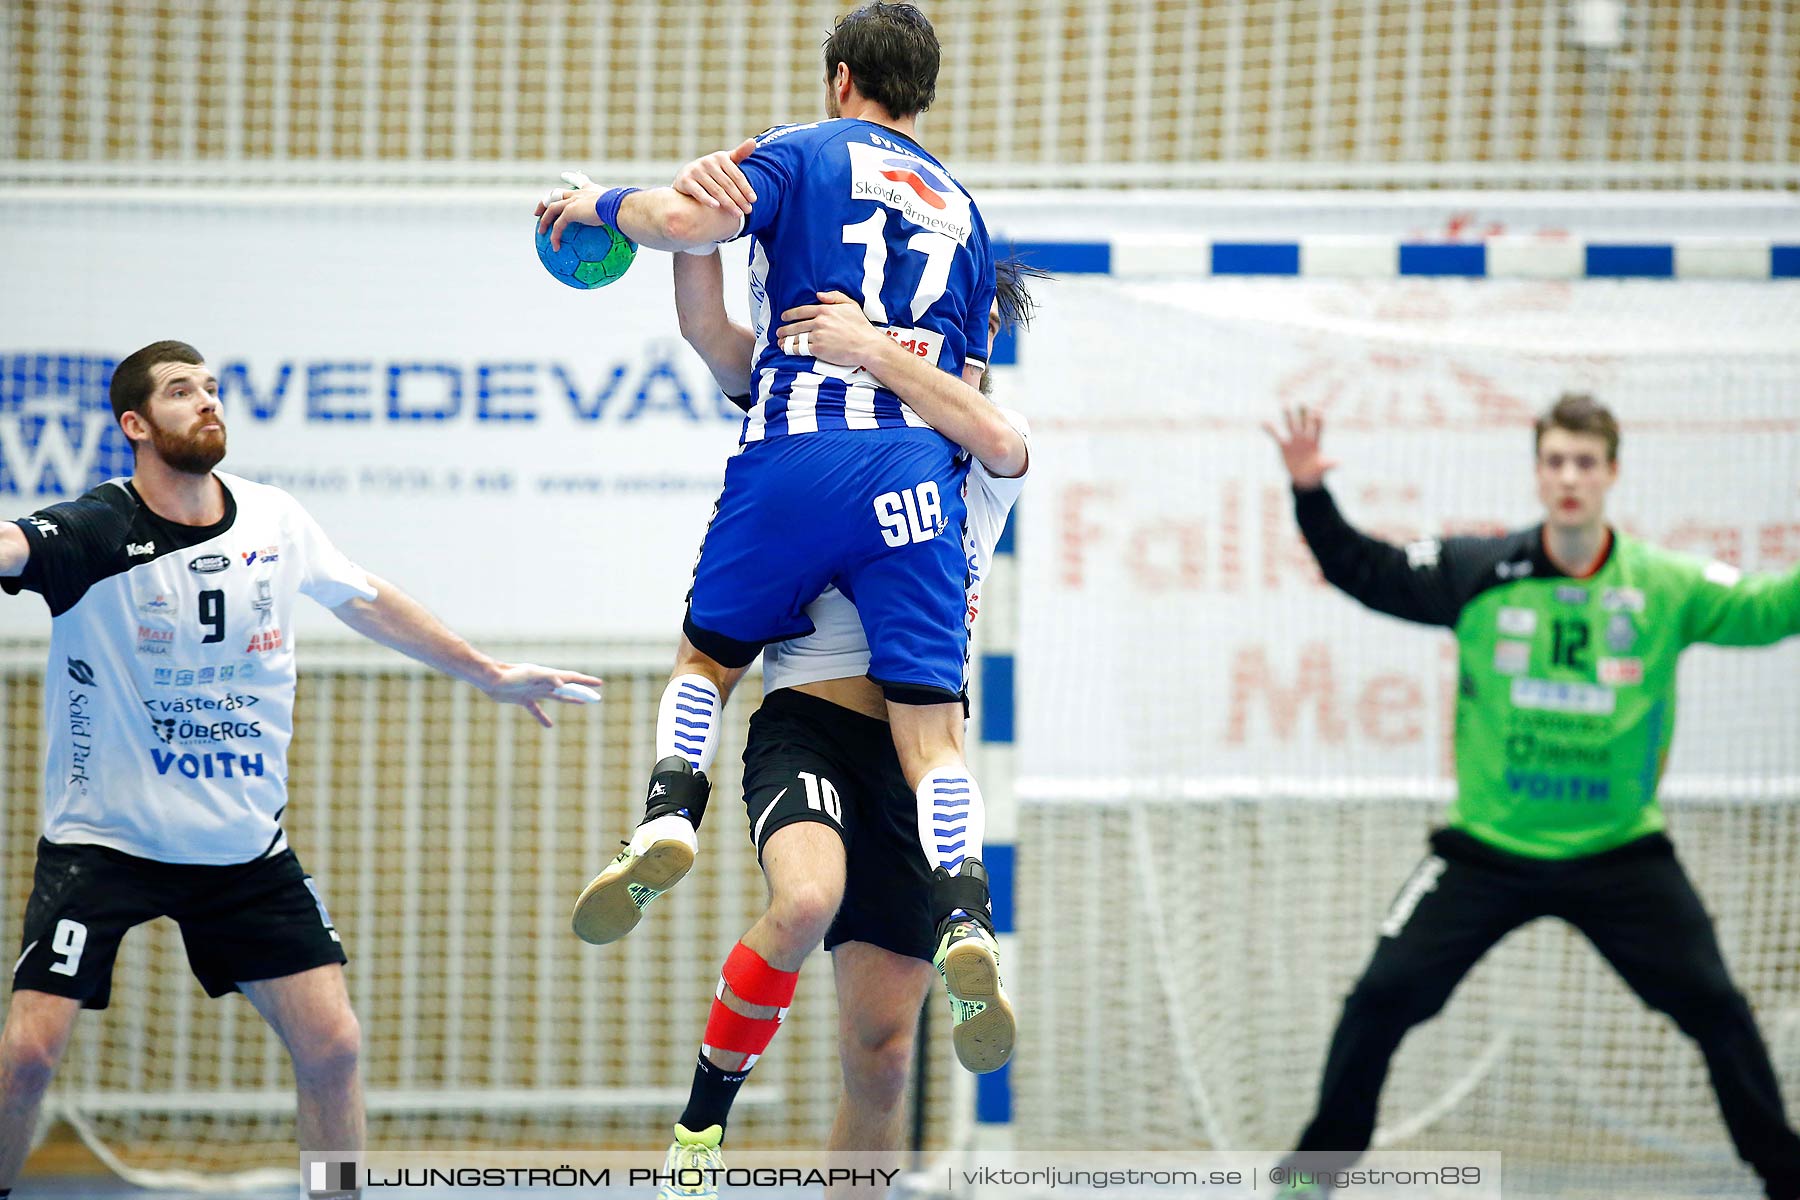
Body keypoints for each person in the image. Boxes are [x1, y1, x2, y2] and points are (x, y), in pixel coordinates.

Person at [0, 341, 602, 1199]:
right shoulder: (98, 529)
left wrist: (488, 672)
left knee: (334, 1044)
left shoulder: (273, 519)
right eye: (180, 392)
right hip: (104, 845)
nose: (206, 402)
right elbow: (14, 545)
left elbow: (362, 596)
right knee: (27, 1052)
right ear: (135, 425)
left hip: (243, 851)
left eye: (212, 389)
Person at [539, 2, 1011, 1072]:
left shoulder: (801, 153)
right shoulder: (969, 215)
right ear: (919, 87)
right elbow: (968, 395)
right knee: (935, 735)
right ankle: (970, 914)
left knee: (707, 657)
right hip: (913, 474)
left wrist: (600, 201)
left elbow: (690, 236)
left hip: (796, 451)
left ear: (840, 76)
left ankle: (669, 811)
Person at [1265, 396, 1800, 1200]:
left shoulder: (1664, 585)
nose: (1570, 477)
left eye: (1586, 462)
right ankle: (1311, 1179)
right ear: (1538, 473)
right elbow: (1362, 569)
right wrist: (1310, 493)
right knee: (1379, 999)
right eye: (1556, 461)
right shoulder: (1479, 572)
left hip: (1619, 852)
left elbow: (1768, 611)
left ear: (1612, 473)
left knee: (1717, 1007)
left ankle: (1786, 1174)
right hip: (1488, 852)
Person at [647, 213, 1044, 1195]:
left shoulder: (977, 462)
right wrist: (690, 221)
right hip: (810, 731)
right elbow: (711, 335)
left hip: (917, 772)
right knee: (806, 897)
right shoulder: (814, 417)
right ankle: (699, 1132)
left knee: (882, 1055)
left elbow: (998, 434)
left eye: (969, 347)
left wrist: (880, 349)